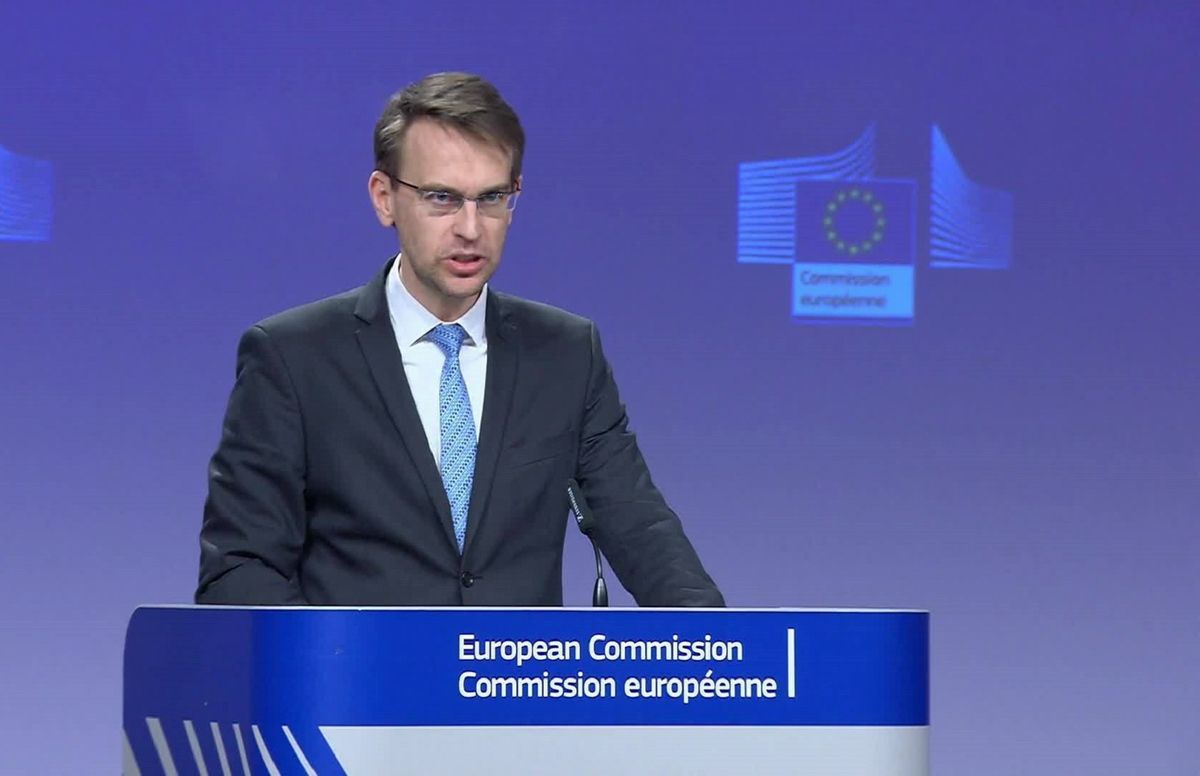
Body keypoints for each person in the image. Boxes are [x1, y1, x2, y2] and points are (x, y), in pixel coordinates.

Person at [195, 72, 723, 607]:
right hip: (359, 664)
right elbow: (240, 569)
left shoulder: (566, 355)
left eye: (492, 198)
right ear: (384, 198)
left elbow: (641, 529)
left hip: (515, 663)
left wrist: (722, 642)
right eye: (442, 198)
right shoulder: (294, 358)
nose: (471, 228)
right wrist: (336, 660)